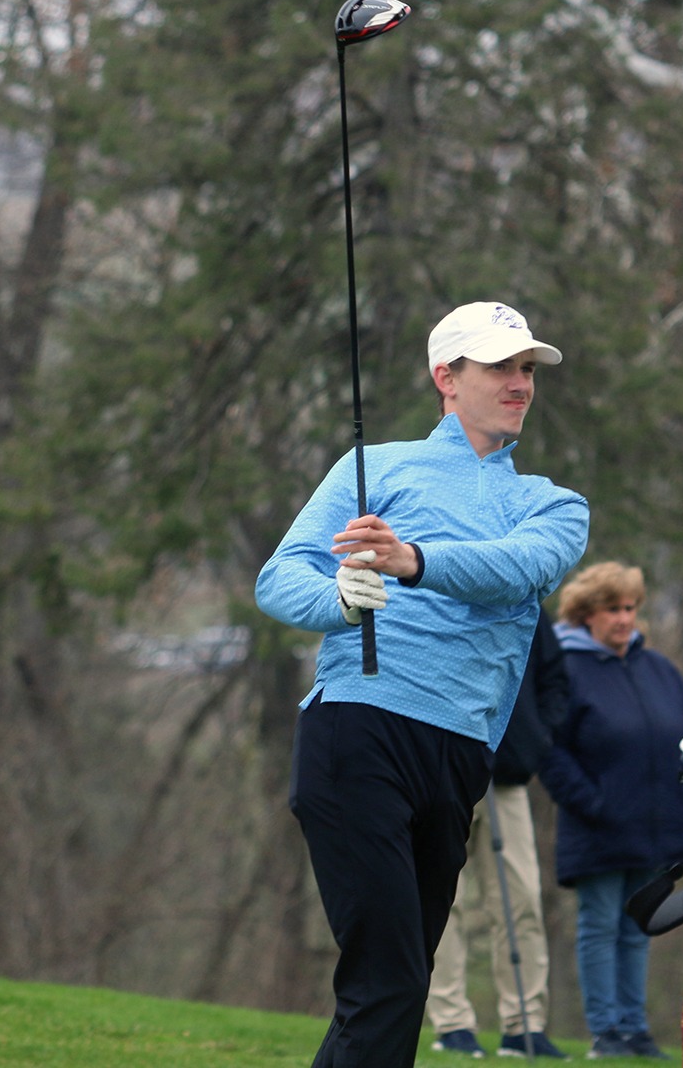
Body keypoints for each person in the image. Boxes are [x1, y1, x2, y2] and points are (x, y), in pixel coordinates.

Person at [256, 301, 589, 1067]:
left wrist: (413, 560)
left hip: (458, 755)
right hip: (357, 731)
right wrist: (338, 600)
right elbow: (281, 578)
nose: (520, 384)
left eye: (527, 369)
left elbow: (520, 570)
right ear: (447, 377)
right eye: (501, 366)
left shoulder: (551, 505)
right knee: (390, 982)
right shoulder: (375, 469)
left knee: (391, 986)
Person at [541, 562, 683, 1061]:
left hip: (656, 829)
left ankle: (635, 1030)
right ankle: (605, 1032)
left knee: (639, 927)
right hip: (597, 828)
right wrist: (592, 801)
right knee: (599, 925)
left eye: (630, 607)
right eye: (613, 609)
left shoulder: (659, 669)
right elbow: (549, 748)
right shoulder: (566, 669)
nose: (624, 618)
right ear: (585, 615)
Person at [427, 610, 571, 1060]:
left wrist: (535, 739)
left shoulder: (522, 596)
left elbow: (553, 680)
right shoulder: (428, 583)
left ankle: (524, 1025)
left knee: (522, 898)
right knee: (441, 901)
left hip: (505, 777)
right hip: (441, 771)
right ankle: (451, 1023)